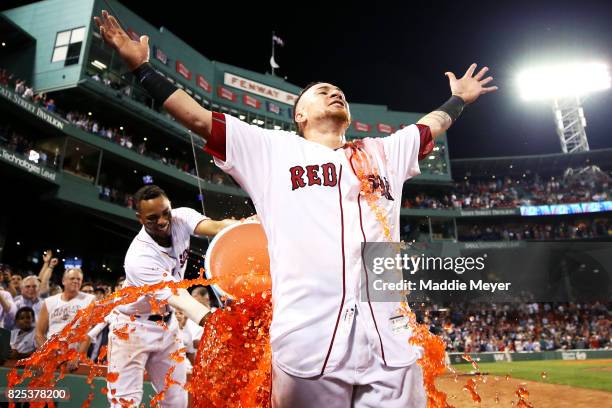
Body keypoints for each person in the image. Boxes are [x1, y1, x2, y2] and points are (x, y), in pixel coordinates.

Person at [95, 10, 497, 407]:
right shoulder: (272, 149)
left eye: (338, 91)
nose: (333, 92)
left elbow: (431, 126)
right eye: (321, 90)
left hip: (390, 340)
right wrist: (142, 70)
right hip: (307, 337)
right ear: (300, 116)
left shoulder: (384, 151)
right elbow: (199, 119)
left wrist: (458, 99)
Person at [103, 184, 237, 407]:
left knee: (176, 400)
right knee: (125, 403)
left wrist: (244, 225)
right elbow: (183, 301)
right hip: (131, 328)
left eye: (166, 212)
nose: (163, 221)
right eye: (152, 218)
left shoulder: (180, 217)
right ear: (140, 218)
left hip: (167, 324)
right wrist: (223, 324)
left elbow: (216, 226)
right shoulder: (139, 258)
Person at [35, 268, 95, 348]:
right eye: (72, 278)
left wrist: (77, 358)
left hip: (74, 353)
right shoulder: (49, 302)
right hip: (52, 353)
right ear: (63, 281)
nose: (76, 281)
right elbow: (39, 333)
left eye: (79, 279)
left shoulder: (89, 299)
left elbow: (89, 332)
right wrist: (48, 353)